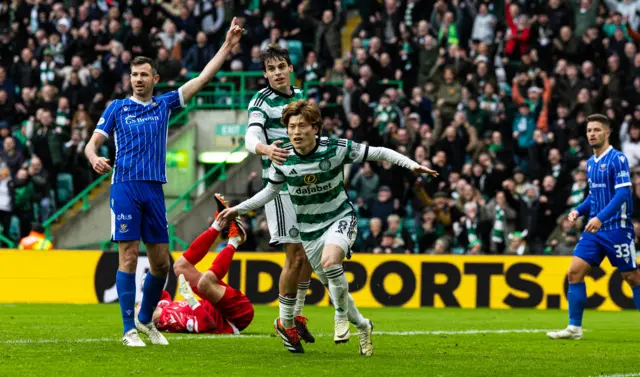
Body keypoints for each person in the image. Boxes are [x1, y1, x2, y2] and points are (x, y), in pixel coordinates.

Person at [219, 100, 439, 355]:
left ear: (315, 128)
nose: (296, 132)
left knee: (331, 262)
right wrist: (238, 209)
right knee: (335, 288)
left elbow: (379, 152)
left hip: (339, 217)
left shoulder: (335, 148)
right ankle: (364, 325)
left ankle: (340, 317)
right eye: (291, 127)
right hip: (309, 230)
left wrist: (412, 165)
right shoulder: (282, 157)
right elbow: (270, 192)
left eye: (302, 125)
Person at [83, 19, 245, 347]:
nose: (138, 79)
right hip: (125, 187)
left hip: (154, 190)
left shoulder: (165, 104)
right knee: (128, 256)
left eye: (144, 75)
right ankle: (129, 329)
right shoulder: (116, 108)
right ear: (129, 79)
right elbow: (91, 144)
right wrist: (94, 158)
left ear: (155, 79)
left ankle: (145, 320)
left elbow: (201, 79)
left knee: (160, 264)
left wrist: (226, 47)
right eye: (134, 75)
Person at [243, 44, 315, 344]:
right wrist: (265, 149)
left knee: (310, 254)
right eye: (271, 69)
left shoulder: (301, 97)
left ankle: (296, 315)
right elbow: (250, 136)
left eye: (281, 66)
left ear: (290, 68)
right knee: (295, 255)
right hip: (281, 186)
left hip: (305, 184)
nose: (277, 73)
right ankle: (284, 322)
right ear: (265, 74)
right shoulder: (260, 101)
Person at [547, 114, 638, 340]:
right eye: (589, 131)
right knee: (574, 272)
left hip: (617, 228)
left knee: (633, 278)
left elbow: (623, 193)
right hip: (594, 230)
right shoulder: (590, 163)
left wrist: (600, 217)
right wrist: (579, 209)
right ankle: (574, 328)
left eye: (597, 130)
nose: (592, 134)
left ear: (607, 132)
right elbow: (594, 196)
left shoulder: (618, 159)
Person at [142, 194, 254, 334]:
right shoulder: (169, 322)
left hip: (217, 305)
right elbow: (207, 325)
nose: (139, 307)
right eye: (138, 312)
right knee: (204, 284)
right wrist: (189, 297)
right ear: (150, 321)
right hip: (235, 317)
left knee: (179, 267)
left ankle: (218, 223)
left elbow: (162, 295)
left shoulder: (162, 307)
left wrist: (148, 287)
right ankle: (235, 240)